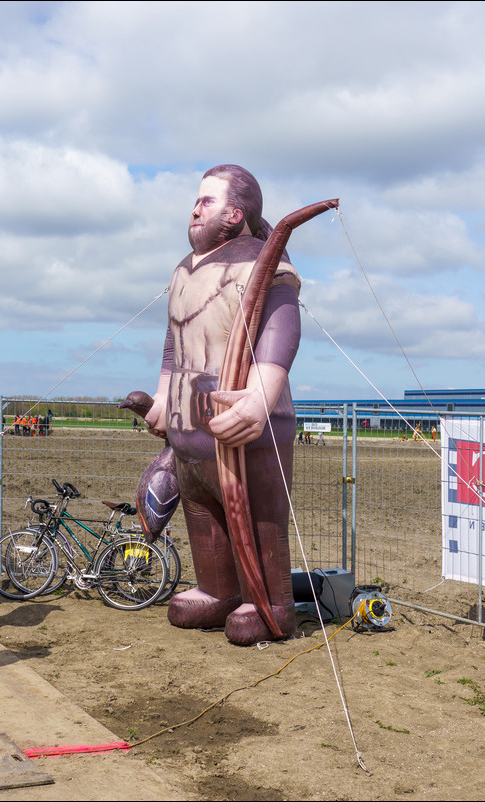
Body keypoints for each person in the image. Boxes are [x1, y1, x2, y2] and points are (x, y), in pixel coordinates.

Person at [142, 164, 301, 646]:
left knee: (257, 514)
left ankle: (272, 600)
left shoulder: (260, 263)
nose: (195, 207)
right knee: (202, 508)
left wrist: (260, 396)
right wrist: (163, 399)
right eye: (196, 200)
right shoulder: (181, 271)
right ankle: (218, 587)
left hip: (247, 426)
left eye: (206, 201)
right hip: (189, 426)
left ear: (235, 213)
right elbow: (175, 343)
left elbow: (280, 327)